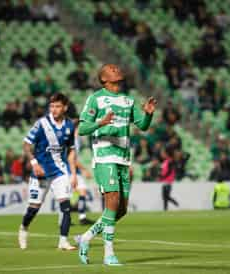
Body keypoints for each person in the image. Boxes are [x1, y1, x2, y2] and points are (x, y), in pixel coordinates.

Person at [76, 64, 156, 266]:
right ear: (104, 79)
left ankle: (85, 238)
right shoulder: (95, 98)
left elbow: (143, 127)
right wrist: (100, 123)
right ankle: (108, 254)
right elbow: (83, 128)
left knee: (121, 210)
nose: (117, 70)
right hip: (104, 156)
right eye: (112, 71)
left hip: (123, 159)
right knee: (111, 202)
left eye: (118, 71)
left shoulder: (128, 100)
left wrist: (148, 114)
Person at [18, 93, 78, 251]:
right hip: (41, 171)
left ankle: (63, 241)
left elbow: (71, 151)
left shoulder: (70, 125)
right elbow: (26, 144)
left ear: (65, 107)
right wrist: (34, 162)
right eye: (52, 106)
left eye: (57, 106)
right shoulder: (42, 123)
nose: (54, 109)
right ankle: (23, 228)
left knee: (66, 205)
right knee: (34, 208)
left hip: (59, 171)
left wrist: (73, 173)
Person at [73, 123, 95, 225]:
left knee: (81, 191)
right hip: (70, 170)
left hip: (73, 170)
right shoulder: (73, 141)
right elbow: (71, 159)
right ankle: (78, 218)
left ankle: (82, 217)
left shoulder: (77, 141)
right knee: (70, 195)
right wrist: (84, 170)